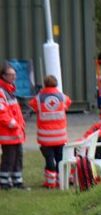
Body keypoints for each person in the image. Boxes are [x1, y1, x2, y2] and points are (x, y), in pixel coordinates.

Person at [29, 75, 72, 189]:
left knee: (49, 159)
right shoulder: (62, 97)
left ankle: (50, 182)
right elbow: (68, 103)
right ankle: (60, 180)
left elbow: (32, 105)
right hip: (60, 136)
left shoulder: (38, 98)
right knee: (59, 158)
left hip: (46, 137)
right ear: (56, 84)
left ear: (45, 84)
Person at [0, 61, 26, 190]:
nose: (14, 77)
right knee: (9, 159)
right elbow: (2, 113)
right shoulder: (2, 91)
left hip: (16, 132)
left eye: (15, 74)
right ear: (3, 75)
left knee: (18, 158)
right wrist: (14, 124)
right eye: (11, 74)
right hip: (8, 133)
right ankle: (4, 182)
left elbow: (15, 111)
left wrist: (20, 124)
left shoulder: (10, 90)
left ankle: (17, 181)